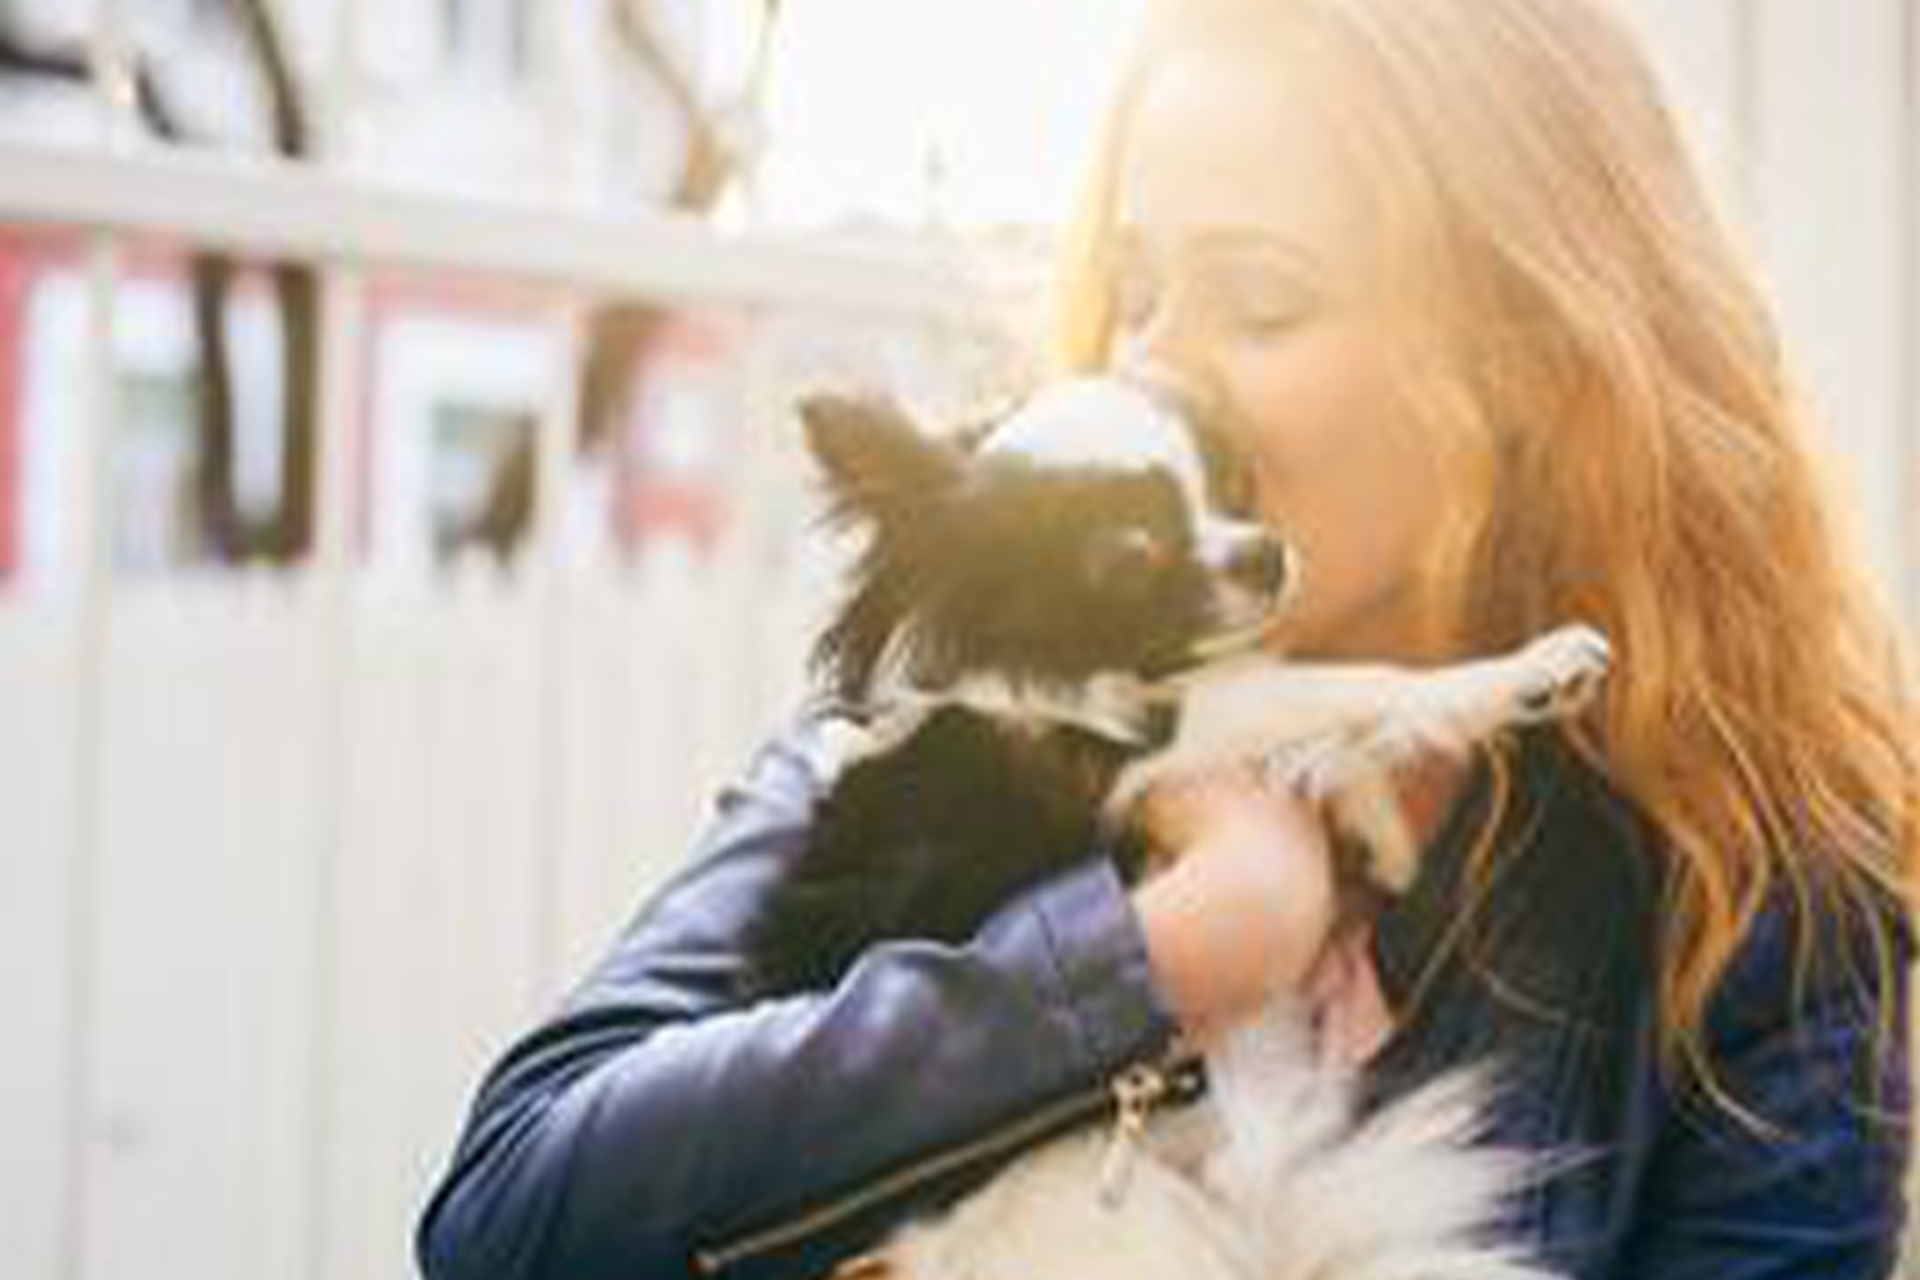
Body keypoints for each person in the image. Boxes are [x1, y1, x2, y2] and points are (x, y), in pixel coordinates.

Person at [414, 1, 1918, 1277]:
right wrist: (1150, 963)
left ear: (1529, 362)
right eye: (1136, 287)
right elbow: (511, 1212)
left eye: (1262, 300)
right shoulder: (940, 726)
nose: (1157, 359)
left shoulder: (1761, 915)